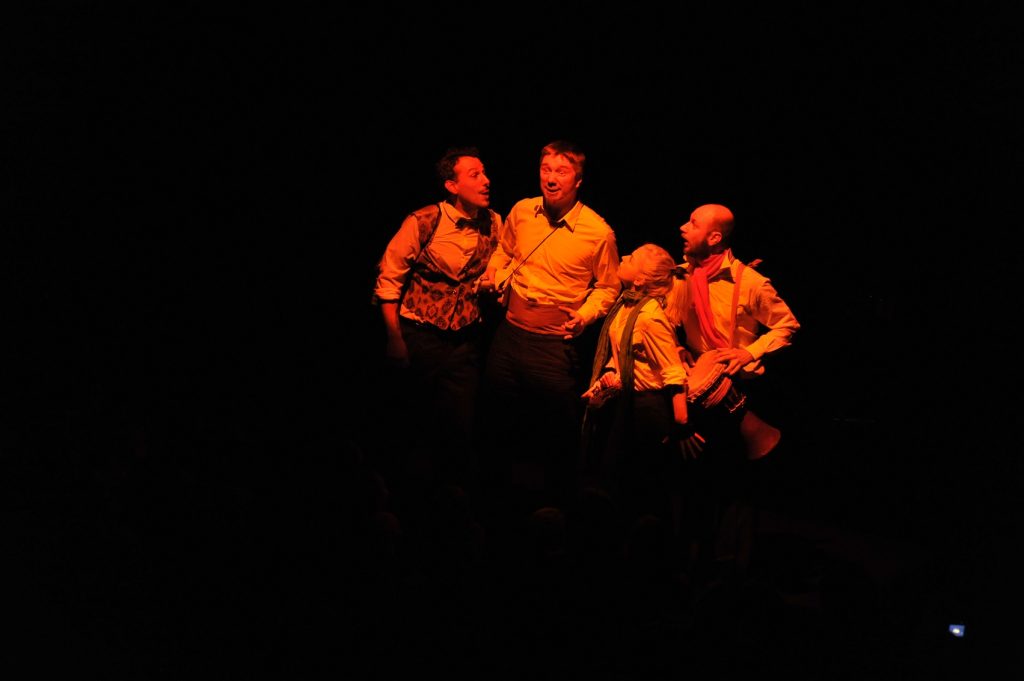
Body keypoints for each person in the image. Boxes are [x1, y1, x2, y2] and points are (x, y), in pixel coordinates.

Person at [476, 139, 621, 527]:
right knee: (495, 425)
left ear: (579, 180)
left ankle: (558, 518)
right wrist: (494, 274)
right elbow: (505, 251)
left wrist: (586, 315)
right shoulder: (522, 211)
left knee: (556, 435)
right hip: (508, 336)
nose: (551, 178)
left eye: (561, 171)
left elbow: (608, 287)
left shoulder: (598, 232)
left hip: (554, 345)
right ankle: (492, 511)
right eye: (546, 169)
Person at [665, 203, 800, 586]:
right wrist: (679, 351)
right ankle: (689, 567)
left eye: (693, 223)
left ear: (714, 237)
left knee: (733, 490)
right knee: (693, 486)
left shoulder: (750, 282)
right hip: (698, 390)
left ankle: (730, 576)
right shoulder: (683, 276)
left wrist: (749, 352)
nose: (683, 227)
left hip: (737, 391)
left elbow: (787, 325)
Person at [370, 146, 501, 516]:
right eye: (474, 175)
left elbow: (500, 263)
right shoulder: (423, 221)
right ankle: (400, 503)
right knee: (411, 422)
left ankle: (451, 508)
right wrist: (395, 338)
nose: (486, 181)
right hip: (420, 336)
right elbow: (389, 281)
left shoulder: (495, 222)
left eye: (485, 172)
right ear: (451, 185)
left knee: (458, 429)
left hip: (464, 342)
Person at [581, 243, 690, 541]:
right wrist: (606, 378)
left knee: (646, 488)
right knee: (619, 481)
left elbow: (672, 370)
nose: (625, 256)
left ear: (640, 279)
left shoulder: (650, 316)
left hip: (649, 409)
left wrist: (681, 423)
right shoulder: (625, 305)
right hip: (629, 403)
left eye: (632, 258)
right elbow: (622, 355)